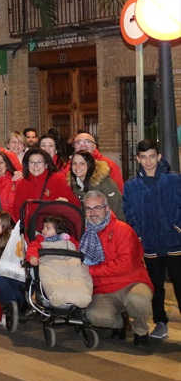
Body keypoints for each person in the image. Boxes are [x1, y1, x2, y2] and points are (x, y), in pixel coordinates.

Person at [122, 140, 181, 340]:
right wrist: (140, 233)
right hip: (150, 244)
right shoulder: (131, 185)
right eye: (144, 157)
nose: (148, 162)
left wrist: (178, 226)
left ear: (159, 157)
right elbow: (129, 211)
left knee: (180, 283)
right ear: (138, 159)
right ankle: (161, 322)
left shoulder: (173, 180)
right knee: (156, 286)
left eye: (152, 157)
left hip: (175, 242)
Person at [82, 190, 154, 346]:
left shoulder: (124, 230)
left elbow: (125, 265)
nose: (93, 213)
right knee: (94, 316)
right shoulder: (83, 234)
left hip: (131, 283)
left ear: (107, 209)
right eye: (88, 209)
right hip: (102, 288)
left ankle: (140, 330)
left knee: (139, 300)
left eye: (97, 208)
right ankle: (119, 323)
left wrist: (91, 270)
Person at [25, 215, 93, 309]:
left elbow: (81, 249)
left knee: (80, 280)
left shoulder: (69, 239)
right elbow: (33, 247)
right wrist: (32, 256)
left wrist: (87, 259)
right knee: (56, 288)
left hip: (71, 266)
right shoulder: (40, 239)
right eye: (43, 227)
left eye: (48, 228)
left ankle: (79, 294)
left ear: (58, 230)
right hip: (51, 267)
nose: (44, 230)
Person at [12, 148, 74, 219]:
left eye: (39, 162)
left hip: (54, 226)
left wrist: (64, 203)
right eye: (32, 162)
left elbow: (73, 203)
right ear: (27, 165)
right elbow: (18, 210)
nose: (35, 166)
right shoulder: (22, 184)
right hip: (31, 227)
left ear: (46, 164)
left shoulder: (59, 179)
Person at [68, 150, 122, 217]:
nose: (77, 167)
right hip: (92, 222)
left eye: (82, 163)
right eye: (74, 163)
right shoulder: (75, 183)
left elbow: (116, 207)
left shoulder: (105, 183)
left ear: (89, 165)